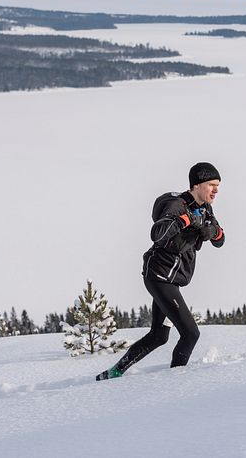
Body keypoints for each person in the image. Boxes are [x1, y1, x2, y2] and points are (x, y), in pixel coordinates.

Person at [96, 162, 225, 380]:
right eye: (212, 184)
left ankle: (115, 372)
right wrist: (184, 220)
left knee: (159, 336)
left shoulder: (206, 209)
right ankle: (176, 381)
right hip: (159, 277)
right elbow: (157, 233)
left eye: (218, 185)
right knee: (191, 333)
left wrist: (211, 230)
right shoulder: (177, 205)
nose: (216, 190)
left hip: (171, 280)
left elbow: (220, 240)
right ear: (197, 185)